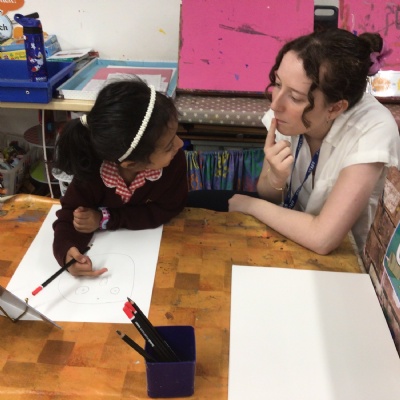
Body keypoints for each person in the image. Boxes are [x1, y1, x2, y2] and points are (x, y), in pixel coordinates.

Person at [228, 28, 400, 255]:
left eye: (295, 97)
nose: (275, 105)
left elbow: (323, 238)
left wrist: (249, 205)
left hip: (349, 261)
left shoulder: (373, 129)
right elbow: (267, 193)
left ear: (335, 108)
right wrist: (277, 178)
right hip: (295, 239)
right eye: (278, 84)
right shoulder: (287, 116)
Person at [52, 79, 188, 276]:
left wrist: (105, 219)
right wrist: (67, 253)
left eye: (176, 135)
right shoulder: (92, 171)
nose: (180, 144)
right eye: (168, 146)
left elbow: (169, 208)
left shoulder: (174, 163)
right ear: (130, 164)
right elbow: (70, 216)